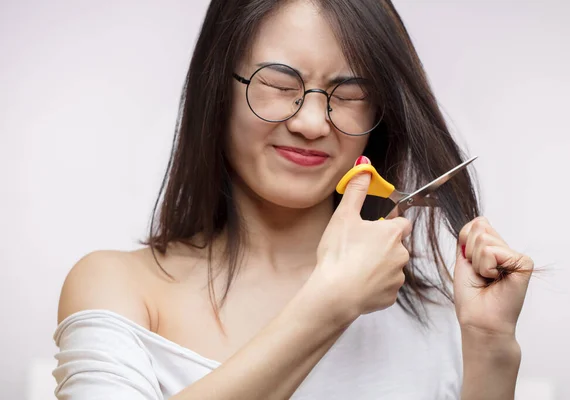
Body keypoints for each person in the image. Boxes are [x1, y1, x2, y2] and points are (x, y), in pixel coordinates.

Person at [53, 0, 534, 399]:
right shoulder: (117, 286)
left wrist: (490, 345)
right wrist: (329, 305)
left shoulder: (439, 321)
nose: (311, 123)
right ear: (216, 90)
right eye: (280, 85)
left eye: (348, 94)